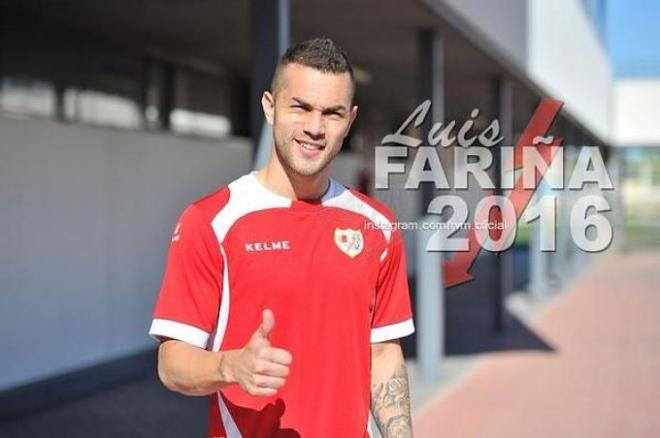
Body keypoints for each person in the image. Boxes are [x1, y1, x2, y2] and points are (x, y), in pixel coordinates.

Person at [149, 38, 415, 438]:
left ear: (351, 119)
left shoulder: (377, 225)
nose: (314, 127)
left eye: (332, 113)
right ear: (270, 107)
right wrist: (230, 366)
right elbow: (171, 363)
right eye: (301, 107)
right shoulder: (211, 221)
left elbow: (382, 351)